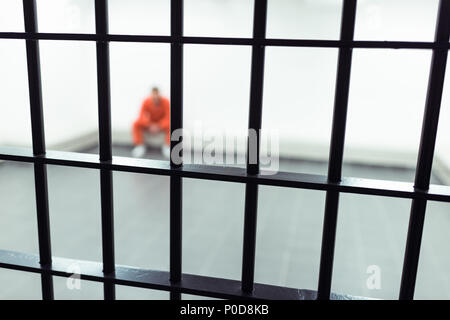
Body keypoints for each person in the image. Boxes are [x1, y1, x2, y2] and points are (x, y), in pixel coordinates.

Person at [132, 87, 170, 158]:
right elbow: (142, 115)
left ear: (159, 94)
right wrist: (149, 124)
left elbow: (168, 117)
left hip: (161, 123)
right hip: (150, 123)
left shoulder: (166, 102)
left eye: (157, 94)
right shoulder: (146, 101)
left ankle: (167, 146)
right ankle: (139, 145)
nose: (155, 97)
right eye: (153, 95)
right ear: (151, 95)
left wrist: (159, 125)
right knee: (136, 124)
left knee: (171, 125)